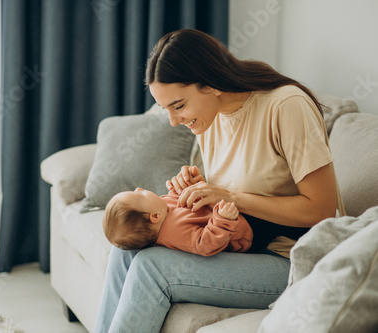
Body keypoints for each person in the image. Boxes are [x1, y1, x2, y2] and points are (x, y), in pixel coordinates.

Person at [94, 29, 345, 333]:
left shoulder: (285, 106)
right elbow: (226, 197)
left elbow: (321, 210)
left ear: (210, 84)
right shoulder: (210, 122)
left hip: (293, 259)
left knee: (151, 268)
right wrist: (196, 186)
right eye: (166, 109)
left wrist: (230, 197)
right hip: (242, 246)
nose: (174, 121)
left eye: (179, 106)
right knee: (125, 250)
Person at [103, 183, 254, 256]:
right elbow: (205, 243)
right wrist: (223, 220)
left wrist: (185, 184)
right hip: (244, 231)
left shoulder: (161, 207)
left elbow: (179, 200)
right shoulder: (175, 233)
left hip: (229, 207)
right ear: (155, 217)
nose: (139, 189)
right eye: (139, 195)